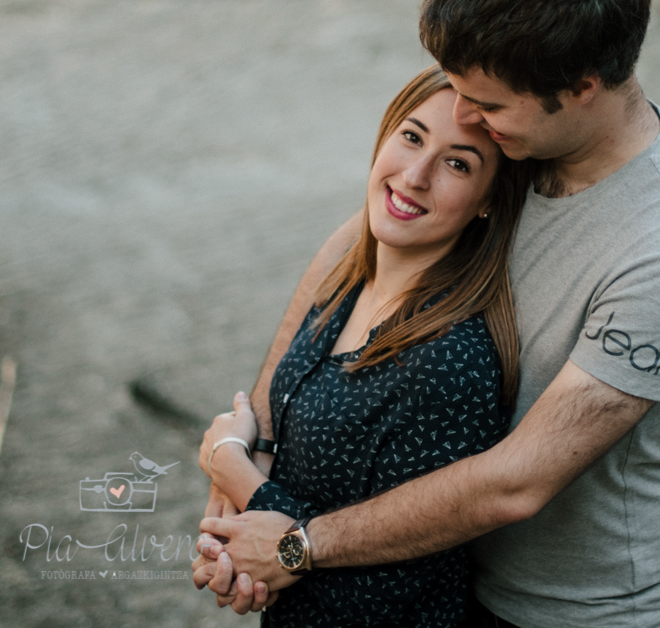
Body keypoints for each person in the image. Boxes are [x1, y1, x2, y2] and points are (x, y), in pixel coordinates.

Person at [195, 2, 660, 627]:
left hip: (579, 610)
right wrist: (258, 443)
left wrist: (297, 544)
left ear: (582, 87)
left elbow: (515, 482)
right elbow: (357, 242)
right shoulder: (526, 127)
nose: (465, 114)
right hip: (447, 577)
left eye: (488, 104)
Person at [195, 64, 533, 627]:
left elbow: (385, 594)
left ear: (488, 201)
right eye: (412, 136)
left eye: (457, 164)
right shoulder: (350, 283)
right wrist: (233, 551)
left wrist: (236, 472)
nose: (415, 175)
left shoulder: (448, 361)